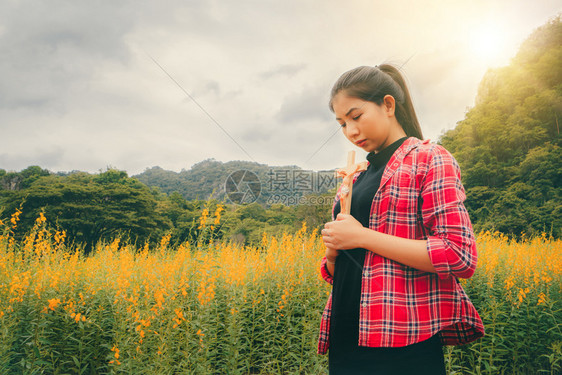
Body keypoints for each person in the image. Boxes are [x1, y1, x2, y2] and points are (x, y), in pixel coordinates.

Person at [318, 64, 485, 374]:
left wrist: (362, 237)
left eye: (356, 117)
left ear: (388, 105)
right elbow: (339, 269)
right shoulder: (354, 178)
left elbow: (459, 255)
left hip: (402, 340)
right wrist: (332, 252)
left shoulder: (429, 158)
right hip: (346, 333)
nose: (351, 131)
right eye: (341, 123)